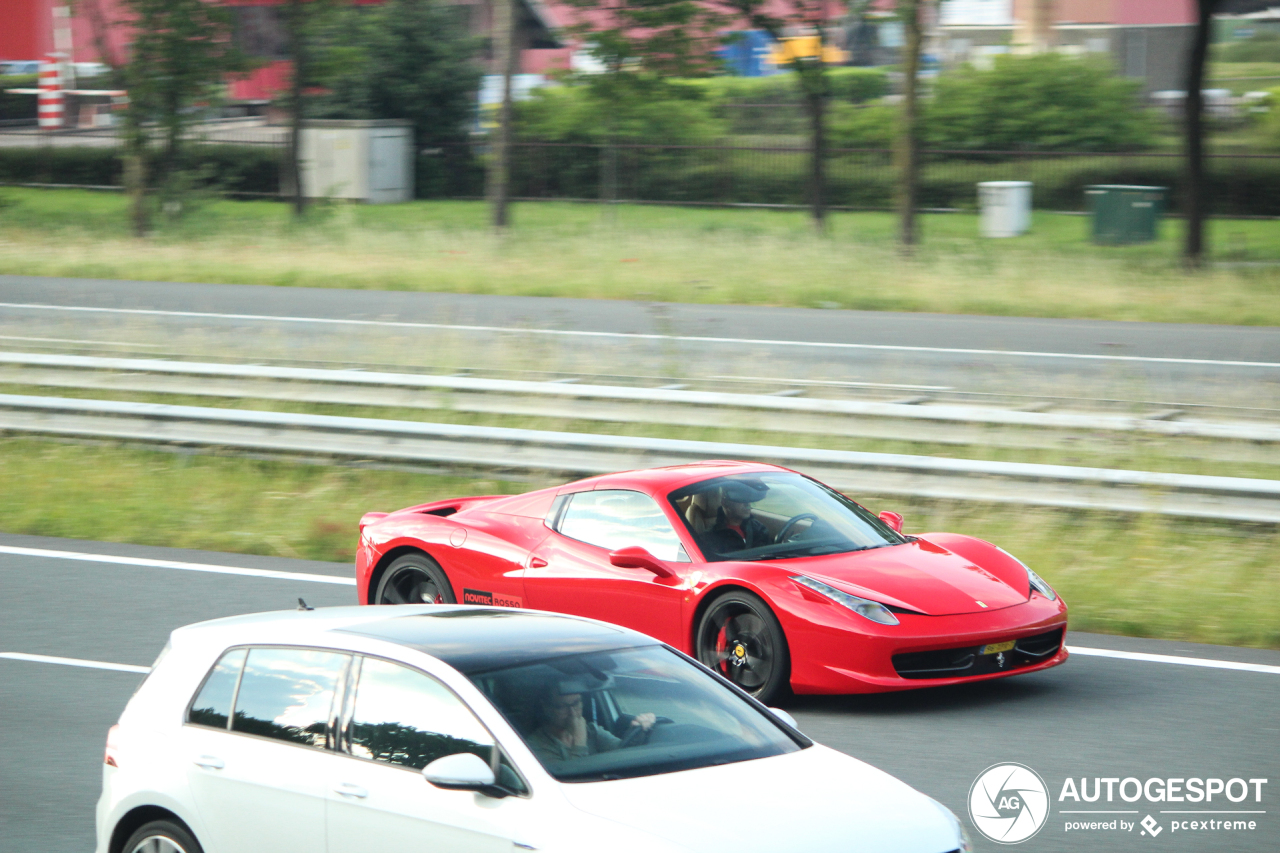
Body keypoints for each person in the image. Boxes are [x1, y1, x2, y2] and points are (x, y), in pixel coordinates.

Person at [526, 686, 656, 763]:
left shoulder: (592, 730)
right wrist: (579, 742)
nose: (572, 713)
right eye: (562, 707)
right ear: (546, 708)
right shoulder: (535, 745)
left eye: (576, 703)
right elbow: (570, 780)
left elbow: (622, 752)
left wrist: (638, 728)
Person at [701, 479, 772, 555]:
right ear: (725, 503)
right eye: (741, 499)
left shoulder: (759, 528)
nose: (747, 504)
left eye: (749, 499)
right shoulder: (711, 538)